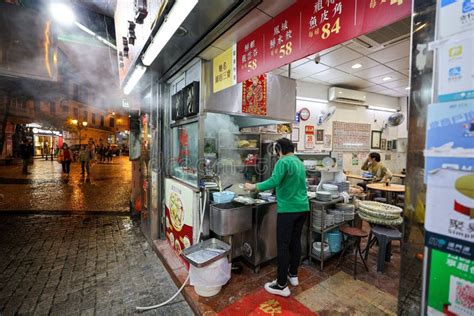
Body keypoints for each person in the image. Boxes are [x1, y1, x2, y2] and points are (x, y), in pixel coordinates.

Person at [244, 138, 309, 297]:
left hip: (288, 210)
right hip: (303, 208)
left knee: (283, 246)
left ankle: (281, 285)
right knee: (295, 242)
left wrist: (254, 186)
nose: (276, 154)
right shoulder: (299, 162)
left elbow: (274, 181)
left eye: (276, 151)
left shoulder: (283, 162)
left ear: (279, 150)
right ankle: (293, 275)